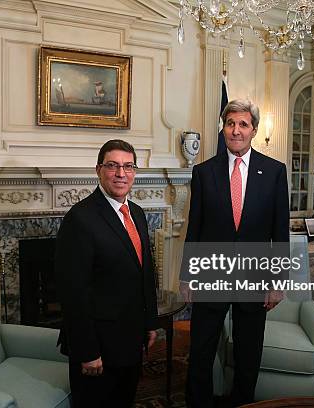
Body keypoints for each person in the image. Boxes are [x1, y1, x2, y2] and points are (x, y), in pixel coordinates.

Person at [182, 99, 290, 407]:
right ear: (223, 128)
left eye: (243, 124)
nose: (236, 130)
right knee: (201, 350)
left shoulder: (274, 172)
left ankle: (243, 403)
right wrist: (187, 276)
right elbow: (195, 229)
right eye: (230, 124)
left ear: (254, 130)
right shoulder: (203, 172)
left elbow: (279, 232)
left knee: (248, 352)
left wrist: (277, 281)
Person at [55, 139, 158, 408]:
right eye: (112, 166)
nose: (121, 173)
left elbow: (145, 271)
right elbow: (73, 292)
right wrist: (87, 351)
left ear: (135, 171)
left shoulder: (136, 213)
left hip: (130, 339)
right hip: (98, 348)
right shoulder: (80, 219)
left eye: (127, 166)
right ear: (98, 170)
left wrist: (150, 322)